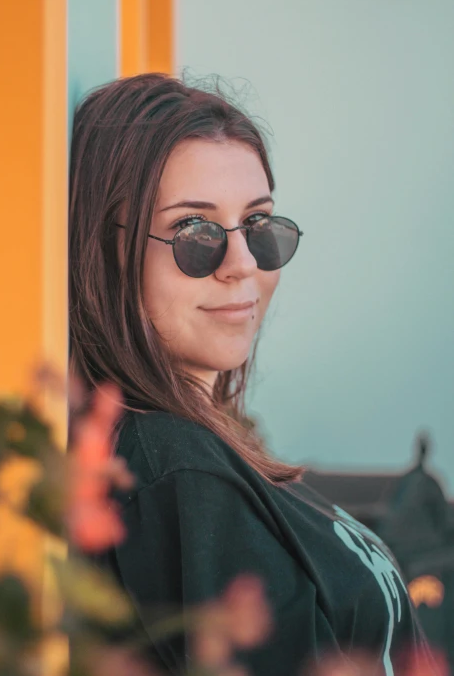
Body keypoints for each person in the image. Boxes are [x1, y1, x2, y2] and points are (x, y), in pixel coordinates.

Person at [68, 73, 437, 676]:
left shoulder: (198, 449)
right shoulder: (180, 475)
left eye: (258, 224)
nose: (242, 266)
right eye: (196, 231)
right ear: (107, 252)